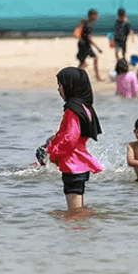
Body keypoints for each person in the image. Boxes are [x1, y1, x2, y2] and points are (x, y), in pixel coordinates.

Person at [44, 67, 103, 209]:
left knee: (74, 213)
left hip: (72, 164)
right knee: (77, 208)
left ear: (71, 86)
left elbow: (70, 138)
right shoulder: (85, 107)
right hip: (80, 162)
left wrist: (54, 154)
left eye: (60, 85)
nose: (58, 90)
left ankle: (77, 229)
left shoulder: (72, 110)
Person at [75, 9, 102, 80]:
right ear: (92, 16)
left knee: (87, 61)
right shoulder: (89, 25)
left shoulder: (87, 23)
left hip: (84, 44)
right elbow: (89, 38)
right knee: (83, 64)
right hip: (84, 45)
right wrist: (98, 48)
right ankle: (77, 77)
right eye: (96, 15)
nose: (97, 17)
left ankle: (97, 76)